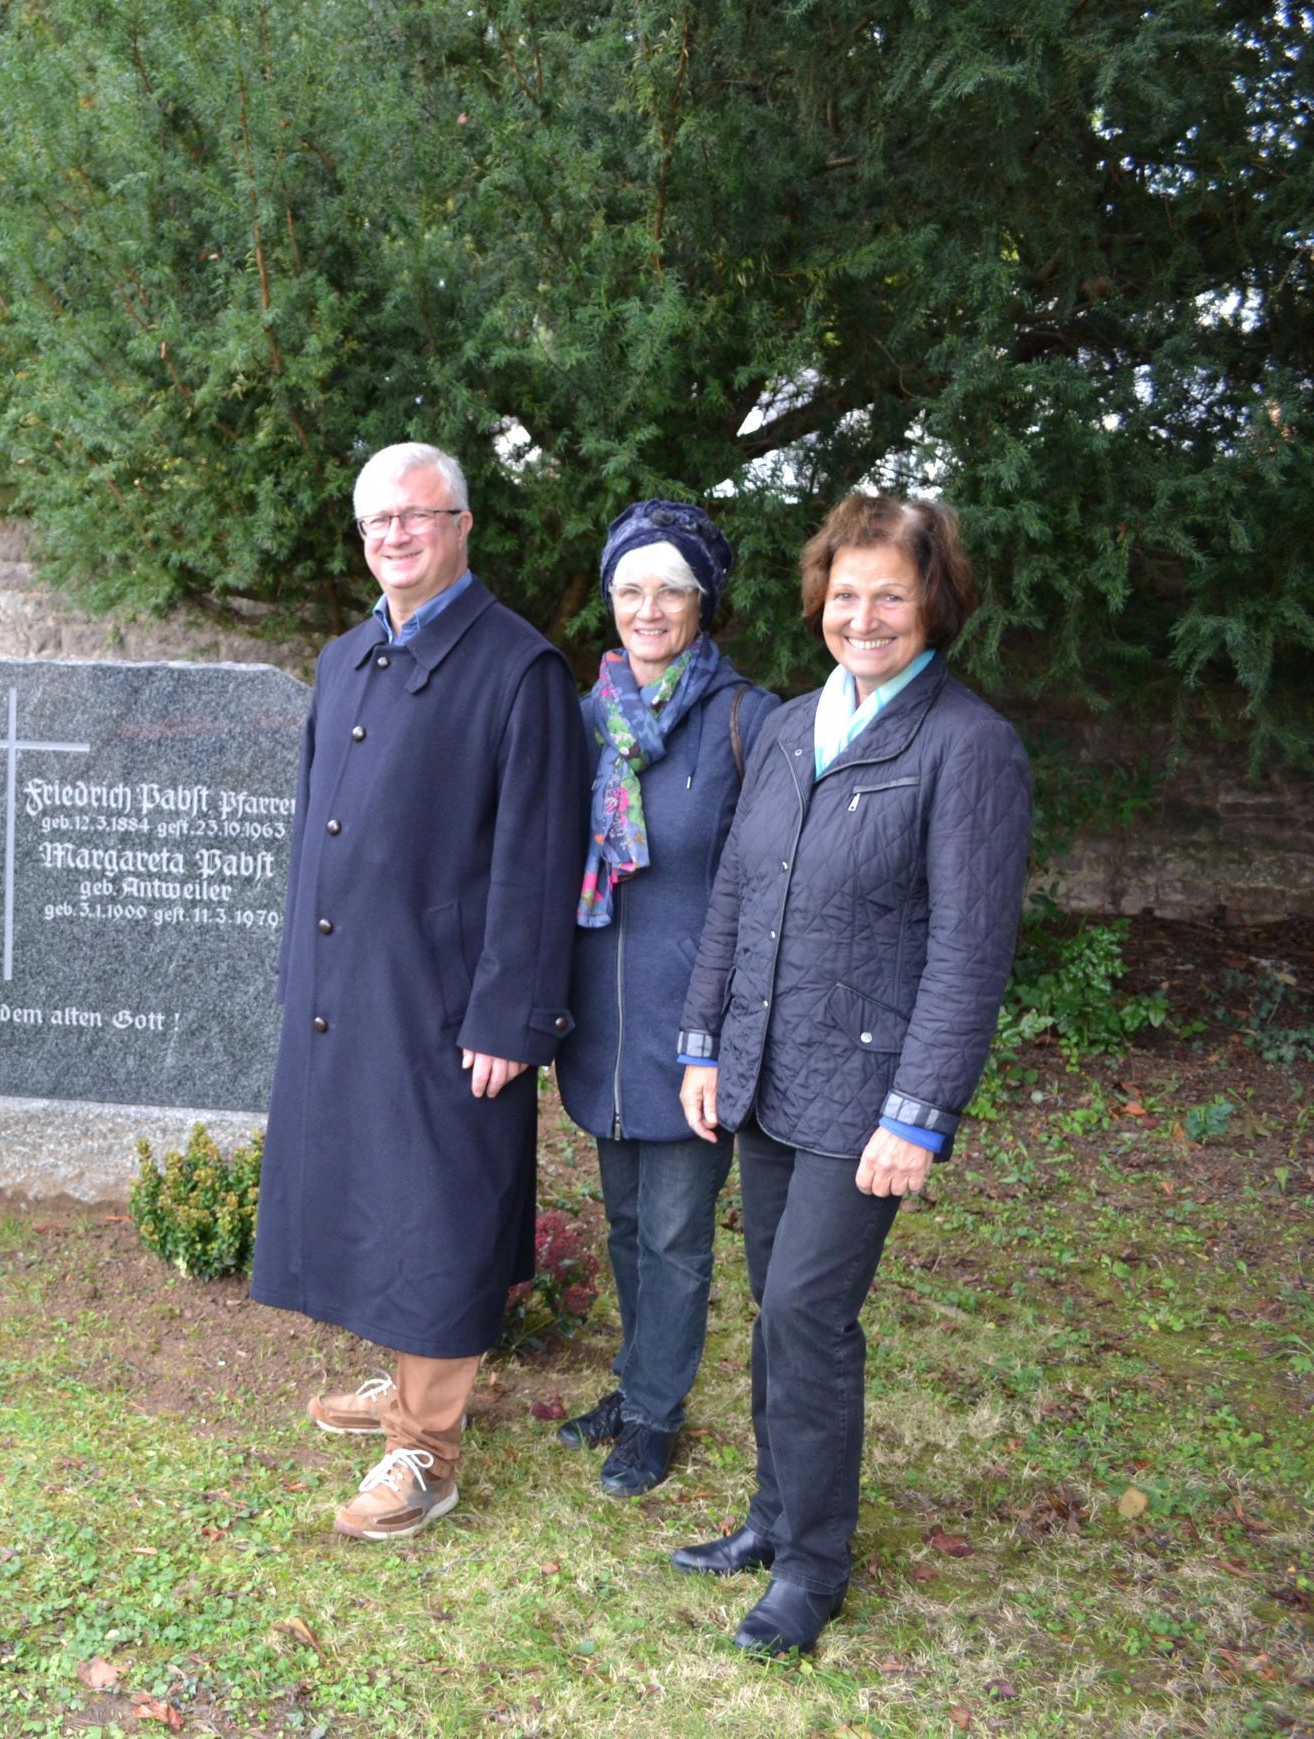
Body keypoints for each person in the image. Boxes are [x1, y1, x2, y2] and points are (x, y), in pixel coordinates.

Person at [672, 494, 1031, 1653]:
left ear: (933, 602)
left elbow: (970, 949)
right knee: (777, 1310)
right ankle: (772, 1515)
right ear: (818, 598)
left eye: (891, 592)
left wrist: (919, 1117)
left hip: (867, 1094)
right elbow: (732, 890)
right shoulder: (784, 727)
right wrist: (703, 1039)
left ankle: (814, 1563)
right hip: (768, 1071)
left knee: (811, 1316)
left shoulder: (967, 745)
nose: (864, 615)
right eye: (845, 592)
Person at [249, 442, 589, 1541]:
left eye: (416, 515)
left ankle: (427, 1450)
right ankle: (407, 1389)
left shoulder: (519, 668)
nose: (393, 535)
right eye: (375, 522)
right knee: (375, 1187)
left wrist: (511, 1010)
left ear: (462, 524)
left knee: (438, 1203)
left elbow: (541, 858)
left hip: (448, 995)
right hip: (352, 979)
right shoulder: (345, 657)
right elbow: (317, 832)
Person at [551, 501, 779, 1499]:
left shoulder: (745, 719)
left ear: (703, 601)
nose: (647, 608)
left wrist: (726, 1026)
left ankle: (652, 1415)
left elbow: (765, 886)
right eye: (629, 589)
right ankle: (634, 1378)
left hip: (694, 1024)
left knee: (678, 1232)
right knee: (624, 1221)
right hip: (598, 1017)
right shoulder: (583, 713)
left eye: (670, 589)